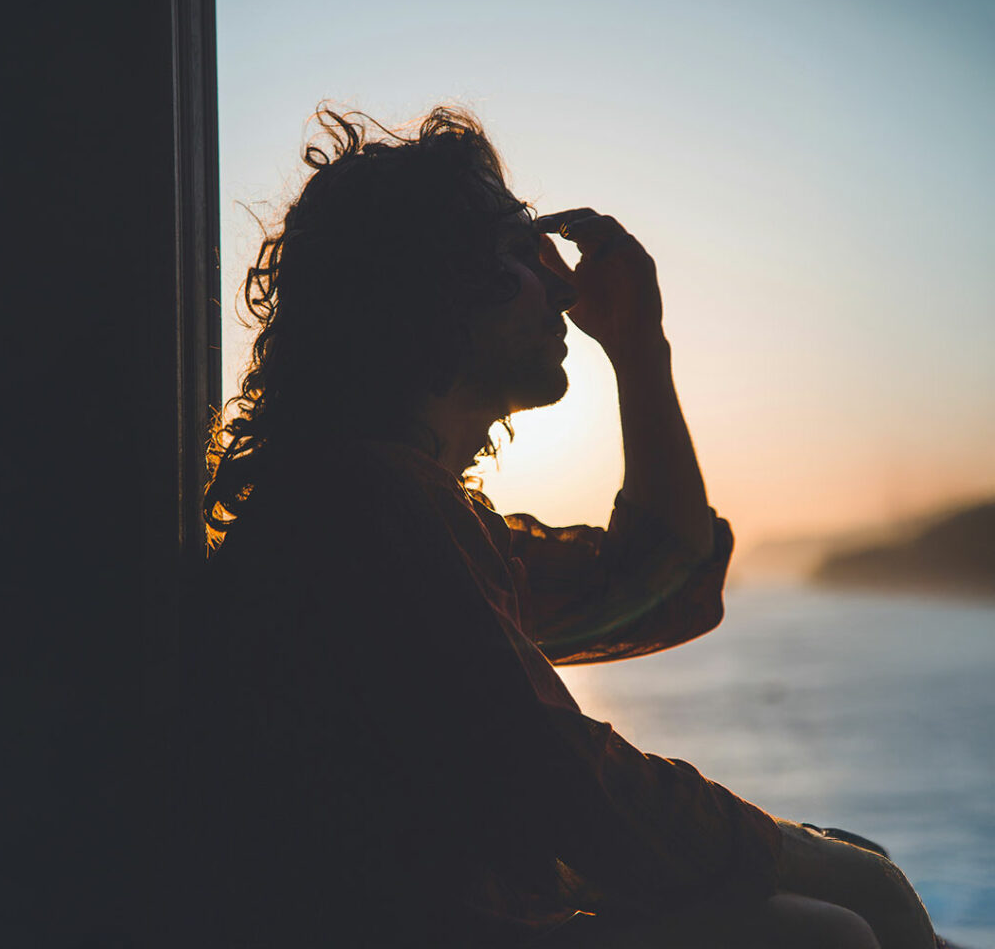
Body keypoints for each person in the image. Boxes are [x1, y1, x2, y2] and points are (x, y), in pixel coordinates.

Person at [194, 106, 937, 948]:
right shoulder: (368, 511)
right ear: (429, 286)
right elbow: (567, 786)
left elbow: (660, 585)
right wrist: (811, 861)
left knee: (842, 878)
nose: (564, 284)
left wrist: (638, 349)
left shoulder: (406, 507)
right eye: (523, 252)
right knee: (827, 929)